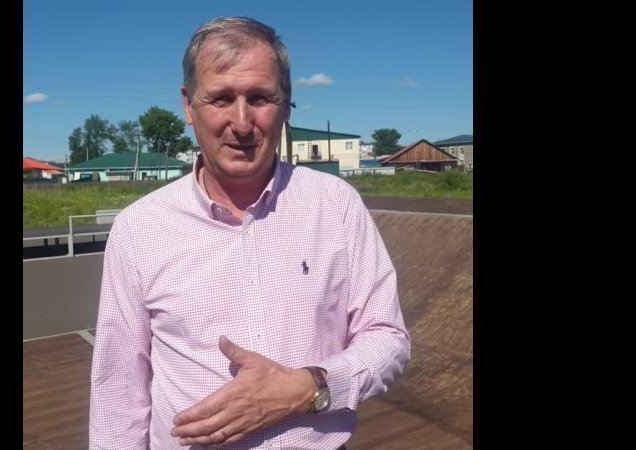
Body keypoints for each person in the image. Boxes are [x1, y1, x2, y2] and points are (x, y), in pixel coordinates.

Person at [89, 16, 410, 449]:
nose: (241, 123)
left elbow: (387, 337)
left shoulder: (336, 205)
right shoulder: (140, 228)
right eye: (220, 98)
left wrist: (311, 387)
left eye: (259, 98)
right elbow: (118, 389)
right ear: (188, 105)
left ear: (287, 103)